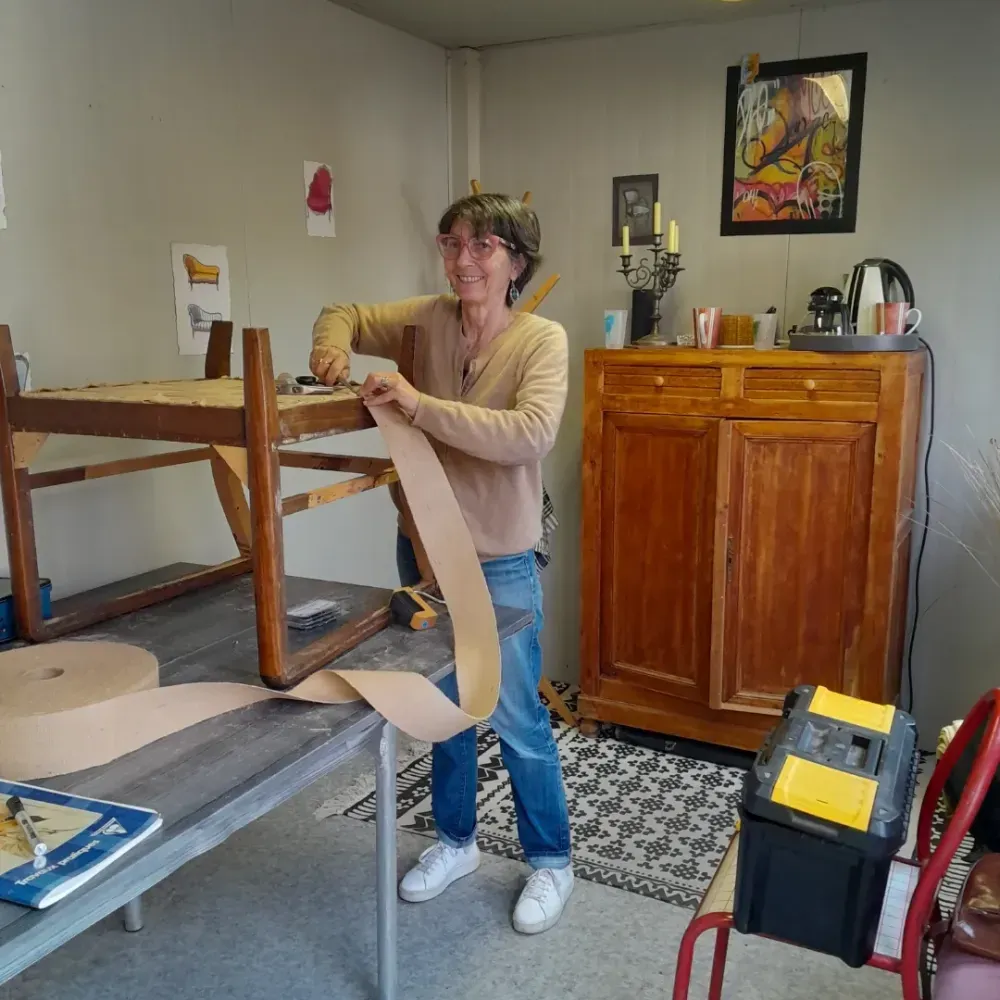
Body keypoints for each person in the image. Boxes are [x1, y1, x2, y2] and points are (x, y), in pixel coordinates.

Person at [308, 193, 573, 935]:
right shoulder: (426, 318)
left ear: (516, 261)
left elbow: (529, 434)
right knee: (444, 707)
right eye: (452, 243)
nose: (464, 260)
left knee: (516, 715)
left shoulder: (541, 340)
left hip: (499, 560)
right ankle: (457, 842)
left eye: (483, 246)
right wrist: (330, 348)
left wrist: (419, 405)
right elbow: (343, 312)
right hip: (422, 551)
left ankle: (552, 861)